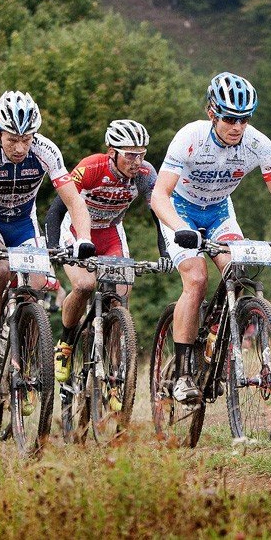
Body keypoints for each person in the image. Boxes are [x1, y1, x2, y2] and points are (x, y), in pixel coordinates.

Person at [151, 72, 271, 404]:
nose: (236, 126)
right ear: (212, 113)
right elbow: (159, 196)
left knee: (237, 270)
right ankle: (182, 374)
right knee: (196, 279)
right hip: (180, 211)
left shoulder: (258, 144)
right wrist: (180, 228)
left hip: (219, 212)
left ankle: (212, 341)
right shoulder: (191, 137)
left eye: (243, 119)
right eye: (228, 118)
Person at [0, 91, 96, 388]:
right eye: (12, 139)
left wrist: (84, 238)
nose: (20, 147)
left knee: (36, 285)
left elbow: (75, 202)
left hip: (24, 224)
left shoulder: (46, 151)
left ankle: (23, 361)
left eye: (26, 139)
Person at [44, 119, 165, 383]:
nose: (137, 161)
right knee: (85, 285)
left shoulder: (145, 174)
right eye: (131, 155)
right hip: (77, 231)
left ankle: (115, 365)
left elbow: (157, 211)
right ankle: (65, 344)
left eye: (142, 154)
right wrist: (53, 247)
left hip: (110, 232)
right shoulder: (92, 167)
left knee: (121, 293)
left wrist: (164, 249)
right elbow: (57, 208)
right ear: (112, 151)